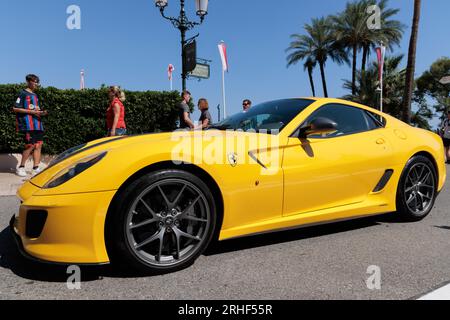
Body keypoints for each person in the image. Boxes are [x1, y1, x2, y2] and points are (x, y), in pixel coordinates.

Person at [12, 74, 48, 177]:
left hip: (38, 123)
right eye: (34, 81)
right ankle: (21, 167)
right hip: (28, 124)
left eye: (37, 82)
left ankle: (35, 168)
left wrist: (41, 112)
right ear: (28, 82)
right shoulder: (22, 93)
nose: (36, 84)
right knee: (30, 145)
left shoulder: (35, 95)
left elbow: (34, 109)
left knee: (39, 144)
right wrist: (31, 112)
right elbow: (15, 108)